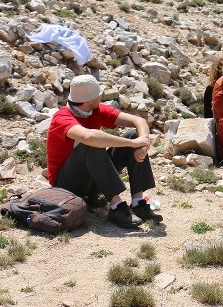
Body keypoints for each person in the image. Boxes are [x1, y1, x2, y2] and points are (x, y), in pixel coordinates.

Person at [45, 74, 162, 229]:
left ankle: (138, 202)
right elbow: (89, 136)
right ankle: (116, 207)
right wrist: (133, 143)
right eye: (97, 95)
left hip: (91, 179)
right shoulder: (61, 118)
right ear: (88, 100)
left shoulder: (95, 110)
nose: (101, 96)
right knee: (91, 144)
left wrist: (141, 144)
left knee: (133, 134)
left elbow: (138, 121)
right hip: (66, 186)